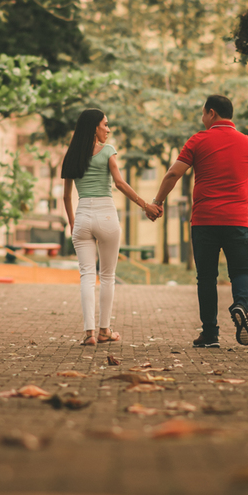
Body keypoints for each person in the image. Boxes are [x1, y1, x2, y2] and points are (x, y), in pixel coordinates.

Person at [150, 95, 248, 348]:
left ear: (211, 113)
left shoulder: (198, 140)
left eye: (203, 114)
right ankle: (240, 306)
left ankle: (210, 333)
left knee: (206, 278)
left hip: (205, 221)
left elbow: (173, 173)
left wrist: (157, 201)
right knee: (242, 271)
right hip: (237, 220)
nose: (202, 120)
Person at [62, 108, 161, 346]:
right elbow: (119, 183)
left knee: (87, 275)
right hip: (106, 216)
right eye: (105, 124)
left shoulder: (72, 155)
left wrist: (74, 222)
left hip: (82, 214)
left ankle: (89, 334)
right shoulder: (107, 151)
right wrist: (145, 205)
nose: (108, 129)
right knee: (107, 276)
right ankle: (105, 330)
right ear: (95, 127)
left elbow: (67, 197)